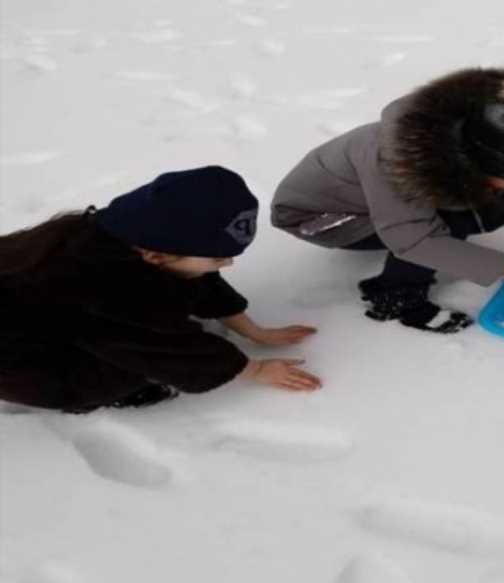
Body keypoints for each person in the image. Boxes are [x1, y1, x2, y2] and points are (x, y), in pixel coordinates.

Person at [272, 67, 504, 334]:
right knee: (448, 223)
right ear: (479, 158)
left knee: (482, 209)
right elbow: (414, 238)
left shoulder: (496, 134)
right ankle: (394, 297)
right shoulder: (401, 162)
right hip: (321, 217)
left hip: (382, 201)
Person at [0, 166, 321, 413]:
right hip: (22, 361)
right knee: (117, 373)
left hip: (47, 317)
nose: (227, 265)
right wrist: (255, 369)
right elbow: (165, 349)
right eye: (219, 257)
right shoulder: (104, 291)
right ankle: (91, 398)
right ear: (155, 255)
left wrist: (254, 331)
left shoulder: (130, 233)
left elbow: (199, 278)